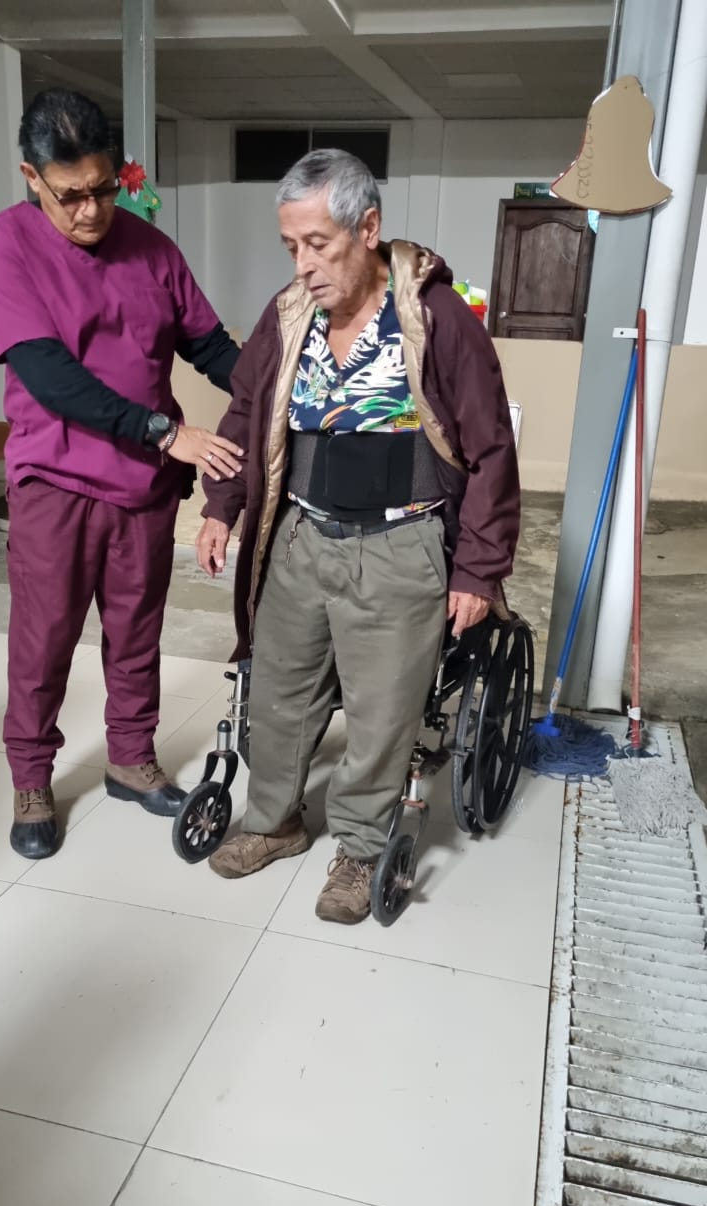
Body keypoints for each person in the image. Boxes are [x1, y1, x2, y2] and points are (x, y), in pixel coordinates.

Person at [197, 149, 520, 925]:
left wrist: (477, 570)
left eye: (318, 244)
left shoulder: (436, 319)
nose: (303, 265)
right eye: (291, 246)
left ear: (368, 228)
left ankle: (362, 848)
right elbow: (245, 412)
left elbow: (491, 452)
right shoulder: (288, 316)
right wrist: (220, 505)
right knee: (279, 692)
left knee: (381, 713)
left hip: (401, 545)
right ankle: (274, 819)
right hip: (301, 535)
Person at [0, 89, 243, 859]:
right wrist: (165, 432)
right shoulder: (8, 243)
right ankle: (33, 779)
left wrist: (277, 392)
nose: (91, 210)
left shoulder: (151, 249)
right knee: (44, 643)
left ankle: (131, 760)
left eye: (103, 189)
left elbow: (210, 346)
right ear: (33, 178)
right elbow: (49, 376)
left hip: (144, 489)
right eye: (71, 195)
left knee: (137, 634)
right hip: (57, 484)